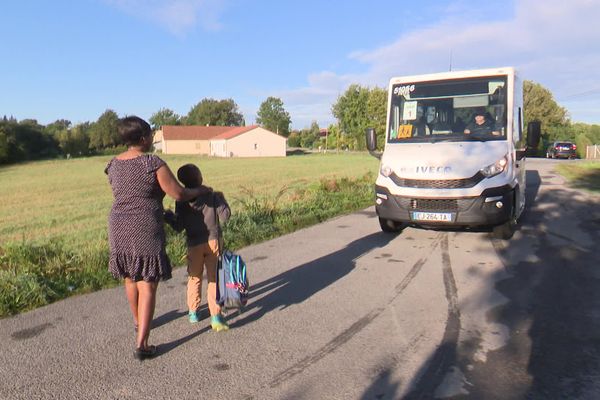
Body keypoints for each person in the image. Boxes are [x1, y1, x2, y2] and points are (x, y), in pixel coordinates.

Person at [105, 116, 210, 360]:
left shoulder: (113, 164)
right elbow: (179, 193)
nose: (153, 138)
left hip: (118, 223)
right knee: (148, 282)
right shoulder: (152, 163)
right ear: (143, 139)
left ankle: (137, 322)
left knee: (130, 277)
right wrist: (201, 191)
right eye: (151, 135)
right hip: (144, 224)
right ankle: (142, 344)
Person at [164, 164, 231, 332]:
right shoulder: (214, 196)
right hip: (214, 240)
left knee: (194, 277)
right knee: (214, 278)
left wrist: (169, 216)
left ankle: (193, 312)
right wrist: (221, 200)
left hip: (194, 244)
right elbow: (225, 217)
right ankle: (216, 315)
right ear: (200, 178)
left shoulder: (181, 202)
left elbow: (178, 226)